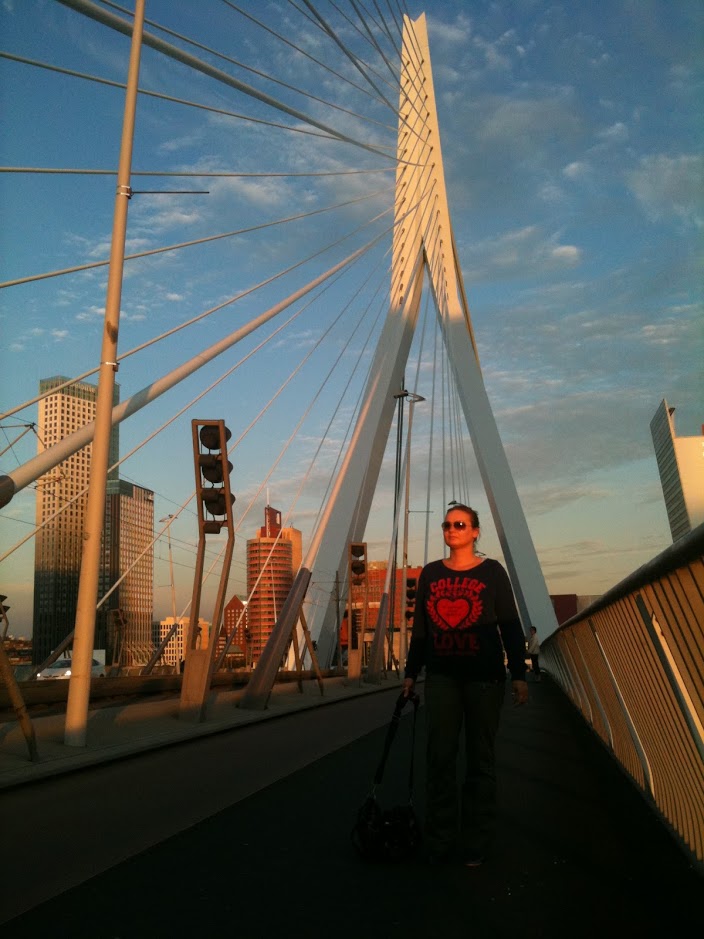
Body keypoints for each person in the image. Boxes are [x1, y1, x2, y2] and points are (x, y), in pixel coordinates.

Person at [402, 503, 529, 867]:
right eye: (447, 525)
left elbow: (509, 624)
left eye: (460, 524)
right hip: (441, 676)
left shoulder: (493, 572)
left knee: (480, 761)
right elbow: (421, 631)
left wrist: (519, 674)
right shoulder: (430, 574)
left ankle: (475, 841)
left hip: (485, 677)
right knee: (439, 758)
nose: (452, 529)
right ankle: (440, 840)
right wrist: (411, 673)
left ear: (475, 532)